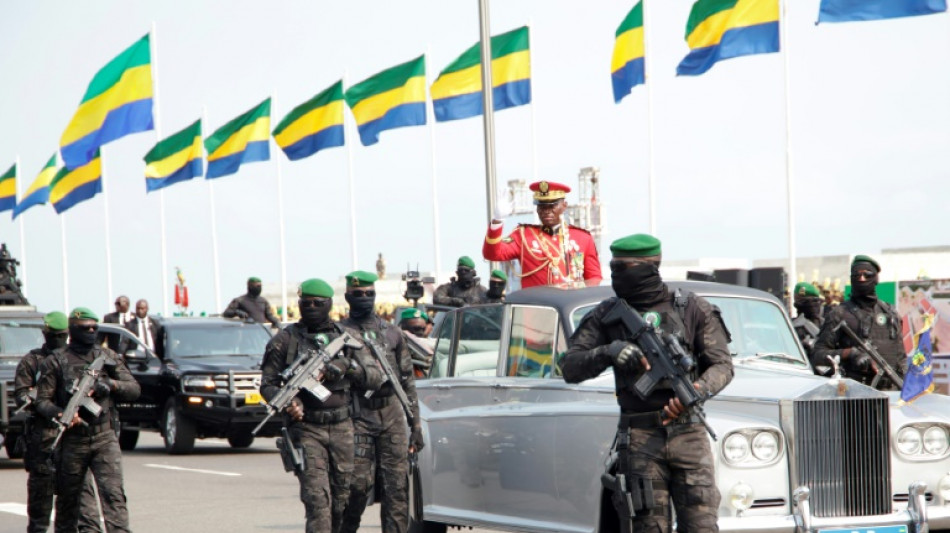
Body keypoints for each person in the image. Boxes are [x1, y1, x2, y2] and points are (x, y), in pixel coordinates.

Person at [560, 234, 733, 532]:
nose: (616, 275)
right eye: (613, 267)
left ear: (650, 267)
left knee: (702, 526)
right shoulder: (606, 314)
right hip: (639, 437)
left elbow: (722, 366)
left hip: (688, 433)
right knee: (648, 526)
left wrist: (696, 391)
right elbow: (569, 367)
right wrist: (609, 352)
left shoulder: (691, 308)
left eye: (623, 268)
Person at [259, 279, 383, 533]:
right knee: (318, 502)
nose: (312, 307)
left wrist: (347, 367)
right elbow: (267, 384)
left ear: (329, 304)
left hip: (344, 427)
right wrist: (289, 402)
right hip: (307, 430)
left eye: (318, 303)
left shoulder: (346, 338)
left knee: (344, 499)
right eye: (306, 303)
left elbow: (375, 377)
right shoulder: (284, 340)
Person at [34, 307, 140, 533]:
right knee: (69, 503)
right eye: (86, 328)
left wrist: (111, 385)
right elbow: (42, 401)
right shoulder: (56, 361)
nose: (91, 332)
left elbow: (133, 389)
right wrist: (61, 414)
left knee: (114, 498)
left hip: (104, 438)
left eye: (95, 328)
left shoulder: (107, 357)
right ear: (72, 329)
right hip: (73, 441)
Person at [339, 271, 423, 533]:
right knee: (355, 488)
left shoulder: (393, 333)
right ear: (347, 297)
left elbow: (407, 381)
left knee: (396, 490)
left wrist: (416, 424)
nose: (364, 299)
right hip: (356, 417)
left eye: (369, 294)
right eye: (358, 294)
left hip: (391, 416)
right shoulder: (338, 333)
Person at [15, 312, 103, 533]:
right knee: (40, 513)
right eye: (54, 335)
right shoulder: (32, 361)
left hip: (76, 441)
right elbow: (21, 396)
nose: (58, 340)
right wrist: (42, 400)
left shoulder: (80, 360)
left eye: (62, 335)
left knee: (85, 510)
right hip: (45, 442)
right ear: (45, 334)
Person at [483, 180, 602, 288]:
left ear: (564, 206)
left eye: (552, 205)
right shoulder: (524, 235)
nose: (546, 211)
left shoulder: (582, 238)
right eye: (542, 206)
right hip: (537, 309)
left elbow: (594, 278)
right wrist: (497, 220)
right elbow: (492, 254)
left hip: (569, 305)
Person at [812, 255, 905, 389]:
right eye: (856, 275)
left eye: (867, 275)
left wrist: (909, 383)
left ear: (876, 278)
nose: (861, 279)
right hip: (855, 393)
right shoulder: (839, 314)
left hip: (891, 391)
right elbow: (818, 355)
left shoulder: (890, 314)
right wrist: (849, 353)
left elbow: (901, 358)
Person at [791, 282, 823, 357]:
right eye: (806, 302)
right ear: (797, 305)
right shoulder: (791, 326)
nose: (813, 306)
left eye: (816, 301)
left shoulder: (827, 324)